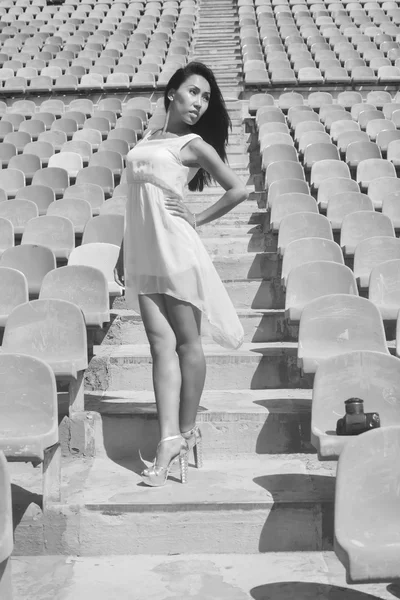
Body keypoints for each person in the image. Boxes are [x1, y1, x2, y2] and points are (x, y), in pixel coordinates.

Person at [114, 61, 248, 487]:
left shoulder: (193, 144)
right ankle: (169, 437)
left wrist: (197, 218)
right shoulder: (150, 139)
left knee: (188, 343)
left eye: (206, 97)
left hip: (176, 250)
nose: (199, 102)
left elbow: (238, 189)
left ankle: (185, 431)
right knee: (159, 346)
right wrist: (123, 250)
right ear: (172, 93)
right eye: (193, 92)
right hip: (145, 252)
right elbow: (136, 203)